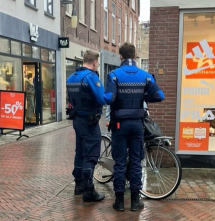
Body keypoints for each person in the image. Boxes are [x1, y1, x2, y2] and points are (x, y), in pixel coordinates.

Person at [103, 43, 164, 211]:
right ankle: (136, 202)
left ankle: (119, 202)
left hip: (119, 125)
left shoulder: (114, 75)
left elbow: (108, 98)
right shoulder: (146, 76)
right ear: (135, 56)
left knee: (120, 162)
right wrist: (144, 95)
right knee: (136, 162)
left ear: (120, 57)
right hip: (137, 125)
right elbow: (160, 96)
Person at [66, 50, 106, 202]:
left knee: (80, 152)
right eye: (97, 64)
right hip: (89, 122)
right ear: (95, 62)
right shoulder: (90, 77)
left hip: (77, 121)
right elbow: (102, 98)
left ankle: (79, 186)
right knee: (91, 154)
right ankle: (89, 190)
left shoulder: (71, 78)